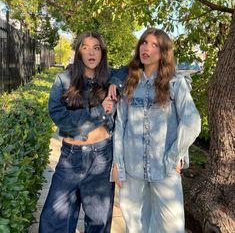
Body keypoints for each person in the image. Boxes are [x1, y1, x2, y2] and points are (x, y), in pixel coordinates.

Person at [111, 28, 201, 233]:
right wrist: (118, 164)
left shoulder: (175, 83)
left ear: (163, 52)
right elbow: (121, 125)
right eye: (144, 43)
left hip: (164, 168)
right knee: (135, 223)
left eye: (154, 45)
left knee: (172, 225)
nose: (147, 48)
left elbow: (192, 122)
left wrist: (175, 155)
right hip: (133, 168)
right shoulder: (129, 84)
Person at [39, 30, 118, 233]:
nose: (91, 52)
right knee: (53, 220)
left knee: (98, 223)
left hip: (102, 158)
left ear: (102, 52)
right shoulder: (64, 79)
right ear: (79, 52)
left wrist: (115, 82)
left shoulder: (111, 77)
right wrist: (99, 113)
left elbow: (133, 69)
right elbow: (58, 115)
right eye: (85, 47)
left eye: (96, 47)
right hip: (70, 158)